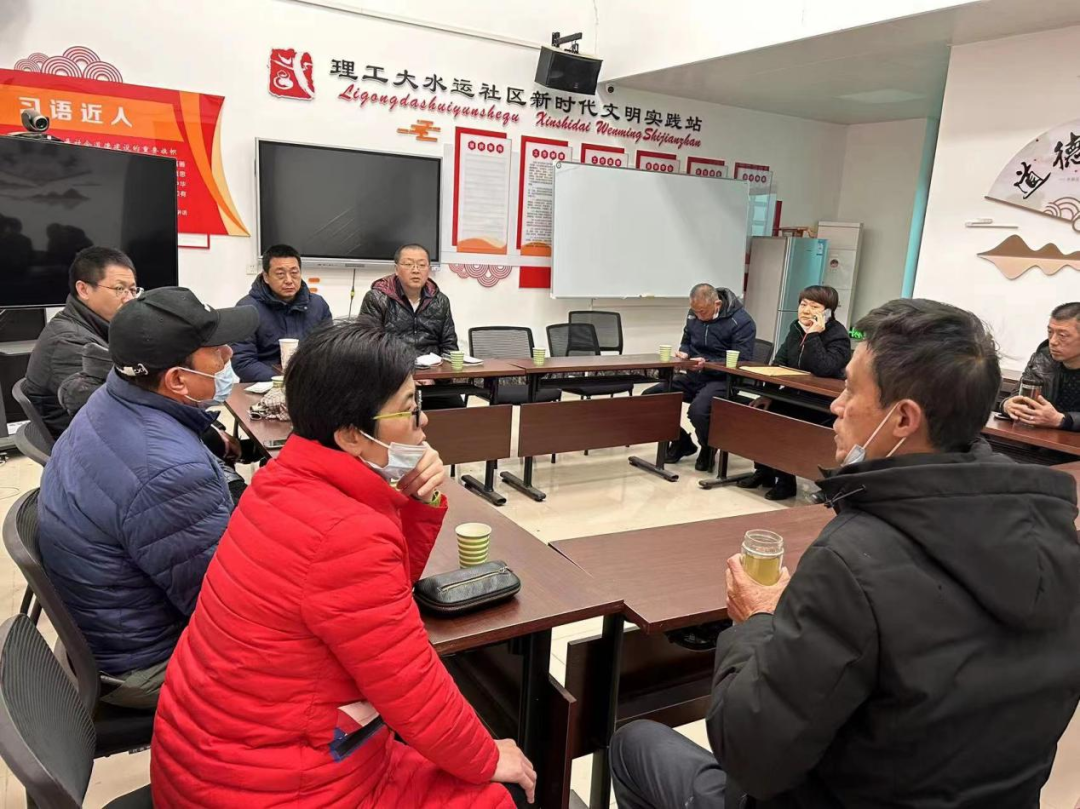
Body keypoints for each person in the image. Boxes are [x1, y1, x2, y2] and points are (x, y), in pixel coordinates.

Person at [609, 298, 1080, 809]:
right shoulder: (1058, 538)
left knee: (634, 745)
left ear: (903, 418)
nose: (836, 404)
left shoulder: (852, 560)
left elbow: (750, 756)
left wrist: (755, 622)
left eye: (851, 390)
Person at [151, 320, 535, 808]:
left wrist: (416, 502)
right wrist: (485, 756)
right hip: (273, 785)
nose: (424, 423)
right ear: (352, 435)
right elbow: (408, 682)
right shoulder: (344, 532)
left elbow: (379, 598)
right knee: (498, 792)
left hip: (220, 752)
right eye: (410, 408)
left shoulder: (281, 480)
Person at [37, 288, 258, 710]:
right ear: (176, 379)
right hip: (149, 663)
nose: (230, 354)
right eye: (217, 351)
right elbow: (228, 611)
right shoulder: (168, 473)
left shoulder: (113, 398)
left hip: (119, 627)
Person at [737, 285, 851, 500]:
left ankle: (786, 480)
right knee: (759, 414)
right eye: (803, 304)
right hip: (793, 395)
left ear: (828, 312)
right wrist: (768, 395)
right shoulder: (795, 329)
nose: (806, 310)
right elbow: (779, 362)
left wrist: (814, 335)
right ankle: (764, 471)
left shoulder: (838, 335)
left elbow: (824, 368)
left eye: (814, 306)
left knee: (785, 423)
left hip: (820, 401)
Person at [23, 246, 141, 438]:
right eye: (119, 289)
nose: (129, 299)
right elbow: (117, 407)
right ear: (84, 289)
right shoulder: (68, 342)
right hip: (86, 442)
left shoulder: (97, 327)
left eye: (133, 290)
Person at [644, 283, 756, 472]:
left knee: (698, 411)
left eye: (702, 312)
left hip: (723, 379)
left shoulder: (742, 322)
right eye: (694, 311)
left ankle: (708, 447)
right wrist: (684, 353)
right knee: (650, 398)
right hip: (694, 375)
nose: (698, 316)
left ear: (717, 304)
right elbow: (687, 340)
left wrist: (708, 362)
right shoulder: (694, 313)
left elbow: (742, 359)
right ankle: (681, 441)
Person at [360, 243, 463, 408]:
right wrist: (407, 378)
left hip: (432, 380)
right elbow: (368, 348)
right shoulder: (377, 298)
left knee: (458, 412)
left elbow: (449, 347)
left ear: (429, 269)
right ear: (396, 269)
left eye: (422, 265)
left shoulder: (440, 301)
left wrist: (435, 378)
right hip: (392, 381)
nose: (416, 270)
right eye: (408, 264)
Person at [231, 244, 332, 382]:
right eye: (280, 274)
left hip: (309, 383)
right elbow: (243, 362)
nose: (289, 280)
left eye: (294, 273)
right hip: (264, 384)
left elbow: (328, 352)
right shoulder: (246, 309)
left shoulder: (318, 305)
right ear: (266, 277)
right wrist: (283, 381)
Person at [1002, 301, 1080, 430]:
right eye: (1050, 332)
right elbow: (1017, 397)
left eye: (1062, 335)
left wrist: (1063, 420)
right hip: (1043, 438)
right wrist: (1006, 405)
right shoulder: (1043, 358)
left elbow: (1060, 420)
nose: (1053, 341)